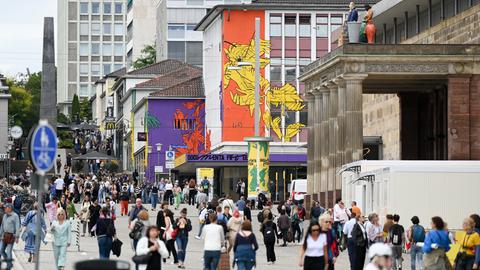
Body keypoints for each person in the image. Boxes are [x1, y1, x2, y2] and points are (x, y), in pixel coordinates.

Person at [0, 203, 20, 270]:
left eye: (6, 208)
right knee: (1, 250)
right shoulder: (5, 215)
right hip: (4, 235)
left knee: (9, 251)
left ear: (10, 208)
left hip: (11, 236)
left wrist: (17, 237)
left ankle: (9, 266)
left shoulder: (15, 216)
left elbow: (17, 227)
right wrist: (0, 235)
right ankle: (9, 262)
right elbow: (2, 226)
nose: (4, 209)